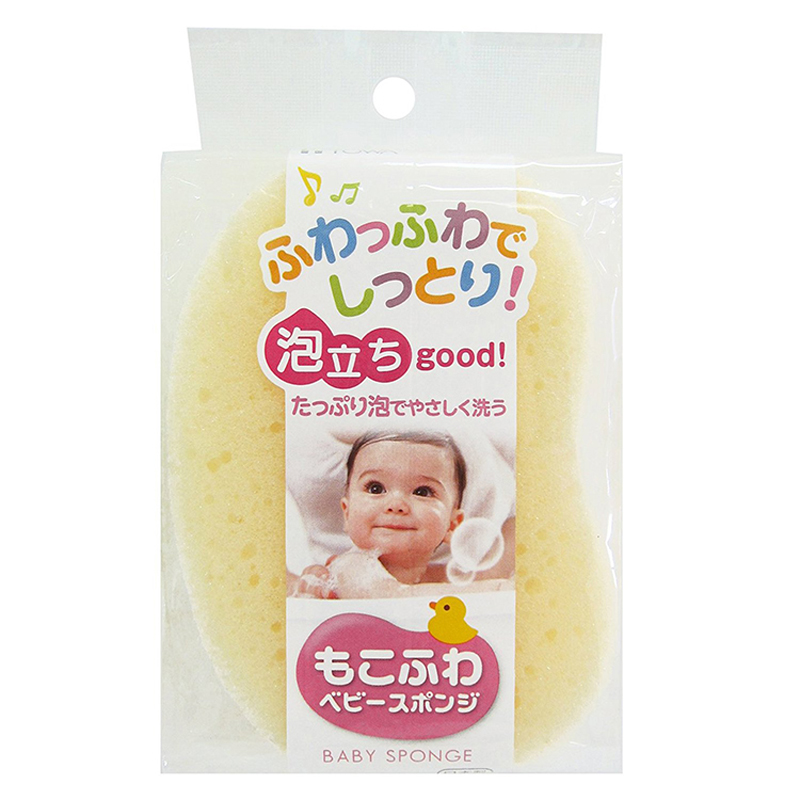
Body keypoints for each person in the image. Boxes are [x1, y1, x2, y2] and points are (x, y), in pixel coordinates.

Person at [293, 431, 467, 597]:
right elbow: (396, 596)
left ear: (452, 524)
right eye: (375, 488)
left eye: (422, 492)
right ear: (347, 513)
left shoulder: (443, 576)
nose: (396, 505)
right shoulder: (353, 568)